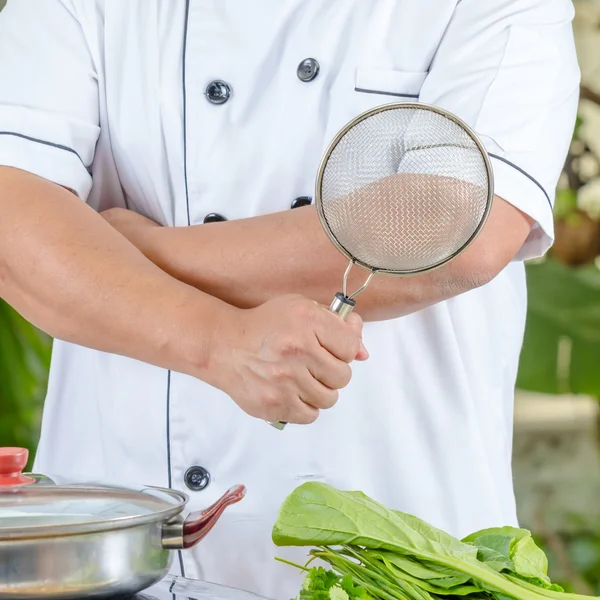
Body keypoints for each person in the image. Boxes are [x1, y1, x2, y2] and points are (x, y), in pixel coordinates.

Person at [0, 1, 579, 599]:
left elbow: (459, 226)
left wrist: (126, 252)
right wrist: (218, 341)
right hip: (113, 558)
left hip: (402, 563)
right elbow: (10, 227)